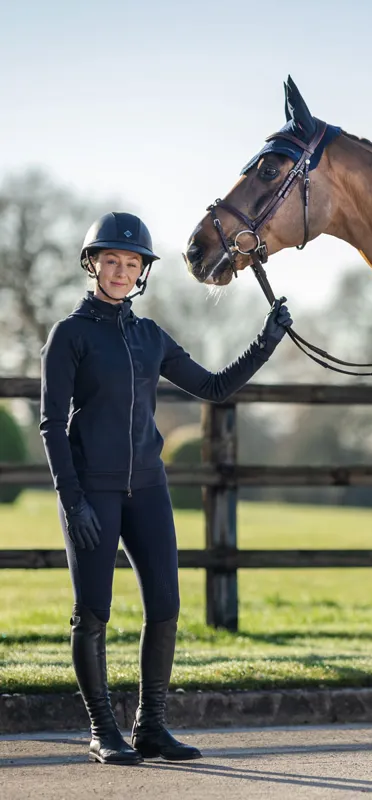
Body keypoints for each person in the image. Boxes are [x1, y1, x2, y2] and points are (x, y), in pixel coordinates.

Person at [40, 212, 292, 765]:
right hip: (93, 494)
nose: (121, 271)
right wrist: (72, 498)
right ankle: (103, 731)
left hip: (148, 488)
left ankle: (151, 727)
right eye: (111, 261)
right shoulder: (70, 335)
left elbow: (214, 387)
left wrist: (266, 340)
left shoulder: (150, 336)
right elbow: (52, 426)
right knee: (93, 614)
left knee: (166, 606)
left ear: (141, 273)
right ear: (93, 264)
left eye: (131, 264)